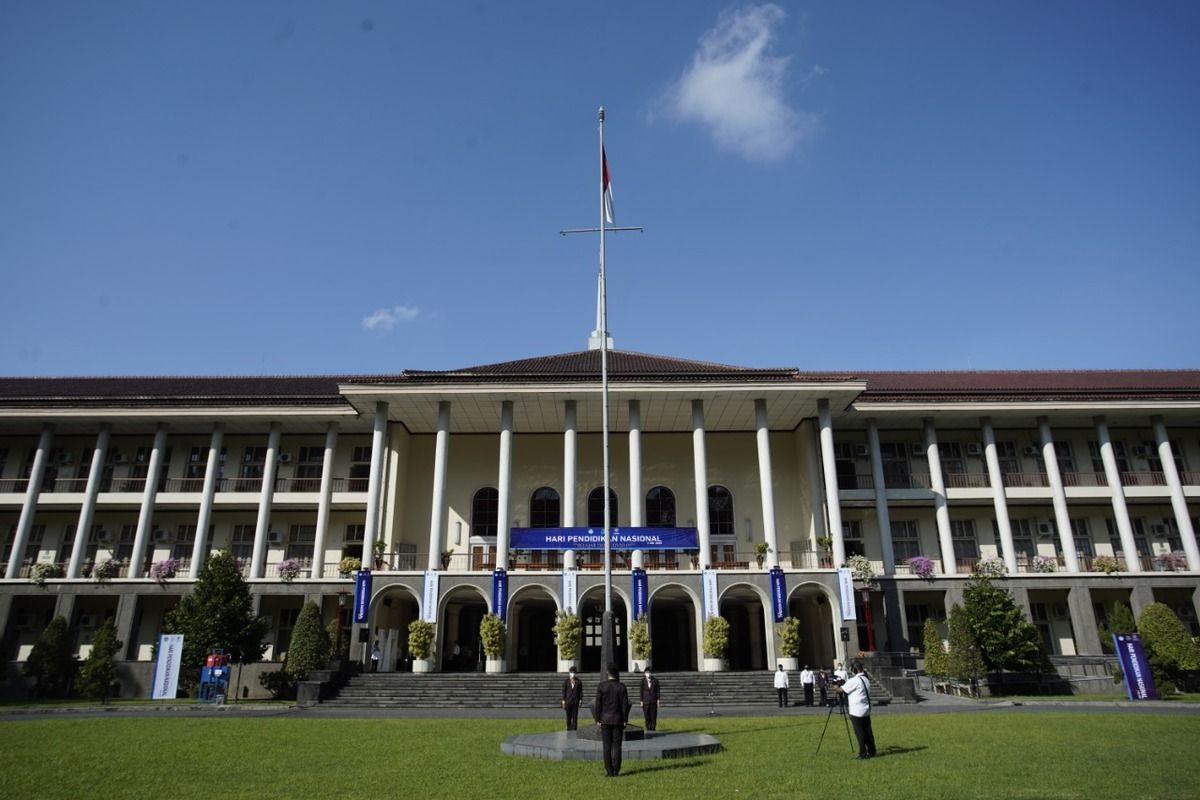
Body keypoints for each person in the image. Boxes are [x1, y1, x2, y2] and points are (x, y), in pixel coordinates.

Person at [592, 663, 632, 777]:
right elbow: (624, 705)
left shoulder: (602, 686)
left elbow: (598, 704)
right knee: (617, 746)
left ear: (608, 673)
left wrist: (597, 719)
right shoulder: (621, 687)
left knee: (607, 746)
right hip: (618, 719)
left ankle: (609, 771)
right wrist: (625, 719)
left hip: (605, 719)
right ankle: (616, 770)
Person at [836, 660, 877, 760]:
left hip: (857, 711)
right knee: (867, 731)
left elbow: (840, 690)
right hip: (866, 709)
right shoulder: (866, 679)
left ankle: (862, 752)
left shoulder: (855, 680)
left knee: (859, 732)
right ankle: (872, 750)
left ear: (855, 669)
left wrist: (835, 685)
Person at [561, 666, 584, 731]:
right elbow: (564, 691)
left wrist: (580, 700)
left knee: (575, 716)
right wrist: (563, 701)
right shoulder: (566, 681)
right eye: (571, 672)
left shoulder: (578, 682)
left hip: (575, 701)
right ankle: (568, 728)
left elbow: (580, 692)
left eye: (573, 672)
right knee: (568, 716)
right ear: (569, 673)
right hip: (568, 701)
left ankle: (574, 729)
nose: (572, 674)